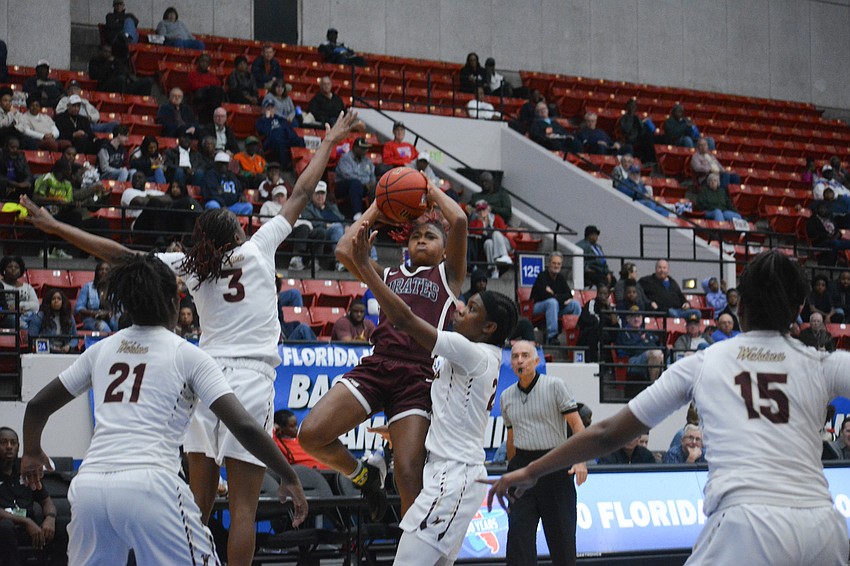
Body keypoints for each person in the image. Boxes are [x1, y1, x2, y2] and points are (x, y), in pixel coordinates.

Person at [19, 110, 358, 566]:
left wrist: (57, 228)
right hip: (248, 381)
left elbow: (122, 254)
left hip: (206, 377)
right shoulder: (257, 249)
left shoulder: (192, 269)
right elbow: (300, 191)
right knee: (243, 510)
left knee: (194, 510)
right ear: (237, 233)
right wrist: (332, 135)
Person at [486, 249, 850, 566]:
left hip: (746, 525)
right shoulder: (822, 364)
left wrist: (532, 470)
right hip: (823, 527)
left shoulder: (705, 362)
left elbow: (606, 434)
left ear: (739, 307)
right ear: (800, 308)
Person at [20, 255, 308, 566]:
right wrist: (288, 475)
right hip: (151, 484)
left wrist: (33, 451)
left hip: (90, 486)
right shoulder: (187, 355)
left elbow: (38, 405)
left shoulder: (100, 350)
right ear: (174, 300)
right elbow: (244, 425)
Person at [342, 218, 515, 566]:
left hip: (453, 478)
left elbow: (404, 320)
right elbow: (446, 408)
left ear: (489, 328)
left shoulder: (474, 353)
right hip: (451, 474)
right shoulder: (477, 356)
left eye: (473, 310)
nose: (462, 309)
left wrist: (366, 268)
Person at [299, 182, 468, 521]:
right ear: (406, 245)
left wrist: (430, 192)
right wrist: (380, 204)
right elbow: (345, 249)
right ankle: (364, 475)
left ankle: (412, 552)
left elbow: (460, 221)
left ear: (445, 250)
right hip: (377, 365)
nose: (421, 239)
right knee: (311, 435)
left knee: (408, 475)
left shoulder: (449, 276)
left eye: (431, 236)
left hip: (417, 376)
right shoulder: (389, 273)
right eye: (415, 235)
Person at [498, 340, 587, 566]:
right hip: (522, 469)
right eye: (516, 356)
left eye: (525, 355)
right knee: (518, 539)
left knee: (562, 542)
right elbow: (511, 439)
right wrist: (512, 471)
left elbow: (577, 426)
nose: (520, 360)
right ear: (510, 362)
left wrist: (581, 461)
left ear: (536, 361)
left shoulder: (555, 386)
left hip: (554, 466)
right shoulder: (506, 396)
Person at [0, 427, 67, 566]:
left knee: (63, 524)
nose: (9, 447)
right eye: (4, 442)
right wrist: (25, 522)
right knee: (5, 527)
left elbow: (46, 501)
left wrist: (50, 518)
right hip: (7, 527)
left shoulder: (26, 469)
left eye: (13, 443)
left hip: (30, 528)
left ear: (18, 447)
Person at [259, 185, 319, 271]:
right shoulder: (268, 205)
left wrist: (308, 225)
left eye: (282, 196)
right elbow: (263, 220)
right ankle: (296, 259)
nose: (279, 198)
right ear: (273, 197)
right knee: (303, 229)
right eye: (277, 196)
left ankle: (314, 261)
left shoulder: (291, 207)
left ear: (286, 197)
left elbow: (300, 221)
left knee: (319, 232)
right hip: (278, 231)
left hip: (293, 230)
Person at [530, 251, 581, 345]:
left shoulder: (560, 278)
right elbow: (544, 295)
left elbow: (569, 294)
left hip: (555, 307)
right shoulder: (542, 276)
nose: (556, 266)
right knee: (552, 302)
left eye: (558, 264)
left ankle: (575, 334)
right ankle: (552, 336)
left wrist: (556, 296)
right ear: (549, 264)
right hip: (536, 307)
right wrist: (560, 298)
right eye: (554, 263)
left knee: (575, 304)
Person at [616, 306, 665, 393]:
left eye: (638, 316)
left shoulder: (646, 332)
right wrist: (642, 342)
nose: (636, 319)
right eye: (633, 317)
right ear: (627, 319)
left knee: (663, 355)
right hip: (631, 360)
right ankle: (654, 391)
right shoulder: (624, 332)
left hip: (650, 359)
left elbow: (655, 345)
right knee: (655, 354)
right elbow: (628, 350)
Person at [299, 181, 346, 270]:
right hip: (322, 232)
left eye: (322, 194)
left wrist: (347, 226)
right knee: (337, 228)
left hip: (340, 230)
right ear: (312, 195)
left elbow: (342, 219)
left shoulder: (332, 207)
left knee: (364, 228)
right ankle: (340, 261)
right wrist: (325, 225)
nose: (320, 196)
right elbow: (310, 222)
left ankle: (372, 261)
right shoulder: (307, 208)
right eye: (317, 194)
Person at [256, 99, 305, 171]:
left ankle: (300, 163)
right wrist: (268, 119)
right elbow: (265, 131)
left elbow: (287, 127)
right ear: (263, 110)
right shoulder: (261, 121)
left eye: (272, 108)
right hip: (270, 140)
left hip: (284, 137)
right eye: (268, 108)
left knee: (299, 140)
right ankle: (285, 164)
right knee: (278, 138)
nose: (270, 110)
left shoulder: (280, 119)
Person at [88, 43, 153, 96]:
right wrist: (108, 64)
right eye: (106, 51)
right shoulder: (95, 61)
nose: (108, 54)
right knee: (120, 80)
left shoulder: (115, 61)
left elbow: (125, 72)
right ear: (100, 52)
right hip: (106, 88)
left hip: (123, 86)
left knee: (148, 81)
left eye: (110, 52)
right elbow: (97, 76)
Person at [576, 283, 618, 363]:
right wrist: (603, 319)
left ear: (609, 295)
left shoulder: (612, 307)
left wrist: (609, 308)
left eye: (605, 294)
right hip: (590, 333)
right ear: (597, 293)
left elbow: (615, 323)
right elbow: (589, 319)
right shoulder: (591, 303)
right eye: (600, 293)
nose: (602, 296)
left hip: (606, 334)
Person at [335, 137, 375, 219]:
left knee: (377, 186)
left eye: (366, 148)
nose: (365, 150)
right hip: (344, 186)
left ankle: (375, 215)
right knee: (355, 183)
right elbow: (347, 175)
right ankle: (357, 214)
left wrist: (372, 184)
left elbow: (372, 175)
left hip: (363, 187)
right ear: (355, 148)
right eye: (363, 148)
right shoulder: (346, 158)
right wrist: (365, 183)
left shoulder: (367, 160)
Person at [470, 200, 512, 279]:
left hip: (504, 244)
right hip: (490, 246)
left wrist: (491, 227)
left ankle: (504, 256)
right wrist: (481, 223)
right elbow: (476, 232)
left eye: (484, 209)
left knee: (496, 233)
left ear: (488, 210)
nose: (482, 212)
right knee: (488, 243)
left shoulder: (496, 218)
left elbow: (504, 231)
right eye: (479, 210)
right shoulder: (475, 222)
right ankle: (494, 269)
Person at [28, 288, 79, 353]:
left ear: (63, 301)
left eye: (59, 299)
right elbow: (32, 338)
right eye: (53, 299)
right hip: (45, 353)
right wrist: (51, 348)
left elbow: (75, 337)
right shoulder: (39, 317)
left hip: (65, 352)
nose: (56, 301)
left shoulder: (69, 317)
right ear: (49, 301)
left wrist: (69, 346)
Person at [75, 261, 120, 333]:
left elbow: (120, 308)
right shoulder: (87, 287)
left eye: (106, 269)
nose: (104, 272)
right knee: (104, 328)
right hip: (91, 319)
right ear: (97, 272)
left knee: (117, 326)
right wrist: (93, 313)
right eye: (101, 269)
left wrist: (109, 313)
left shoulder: (115, 288)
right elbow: (78, 308)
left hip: (110, 317)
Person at [0, 255, 39, 330]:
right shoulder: (0, 285)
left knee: (38, 318)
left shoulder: (28, 287)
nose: (13, 269)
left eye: (17, 267)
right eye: (10, 267)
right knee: (16, 321)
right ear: (4, 269)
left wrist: (18, 306)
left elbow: (35, 305)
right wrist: (10, 310)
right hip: (8, 316)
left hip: (26, 314)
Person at [188, 54, 225, 125]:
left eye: (206, 62)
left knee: (217, 91)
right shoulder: (192, 74)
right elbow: (194, 85)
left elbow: (218, 84)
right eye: (202, 61)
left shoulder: (211, 75)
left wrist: (209, 87)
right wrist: (208, 86)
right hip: (198, 96)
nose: (204, 63)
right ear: (198, 62)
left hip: (211, 98)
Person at [575, 224, 612, 288]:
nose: (596, 236)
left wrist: (607, 272)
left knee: (613, 280)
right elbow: (579, 260)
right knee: (601, 279)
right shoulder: (582, 246)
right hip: (591, 271)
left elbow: (603, 261)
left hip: (601, 271)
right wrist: (586, 268)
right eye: (594, 234)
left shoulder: (598, 247)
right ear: (589, 235)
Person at [0, 135, 33, 200]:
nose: (15, 150)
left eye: (17, 148)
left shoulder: (21, 158)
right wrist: (13, 184)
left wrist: (26, 182)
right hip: (5, 185)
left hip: (18, 185)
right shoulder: (1, 156)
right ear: (5, 146)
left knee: (31, 184)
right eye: (12, 147)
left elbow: (29, 175)